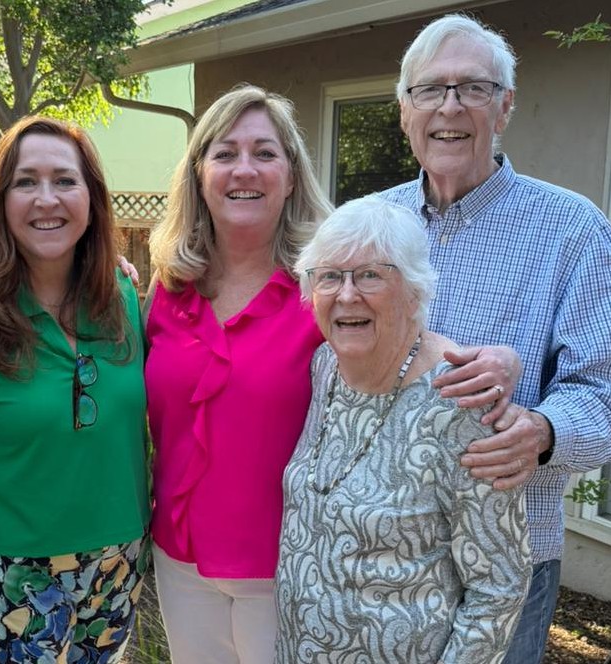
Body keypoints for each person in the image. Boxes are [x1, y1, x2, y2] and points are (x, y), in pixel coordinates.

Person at [143, 83, 521, 664]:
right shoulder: (167, 290)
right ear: (199, 174)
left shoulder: (324, 287)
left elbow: (406, 341)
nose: (245, 169)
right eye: (225, 153)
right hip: (179, 560)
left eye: (265, 153)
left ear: (292, 175)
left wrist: (500, 362)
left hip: (290, 570)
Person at [381, 13, 611, 663]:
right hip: (379, 550)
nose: (449, 107)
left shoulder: (572, 230)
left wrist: (541, 431)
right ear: (405, 111)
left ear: (504, 106)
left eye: (473, 88)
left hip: (505, 556)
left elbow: (601, 391)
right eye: (430, 89)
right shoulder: (370, 224)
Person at [275, 195, 532, 664]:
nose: (346, 295)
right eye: (329, 276)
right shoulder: (325, 366)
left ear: (415, 291)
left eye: (371, 275)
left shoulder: (460, 403)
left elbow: (498, 587)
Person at [0, 117, 150, 662]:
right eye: (25, 182)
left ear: (91, 198)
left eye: (64, 180)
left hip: (119, 553)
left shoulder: (122, 295)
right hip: (17, 567)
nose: (47, 199)